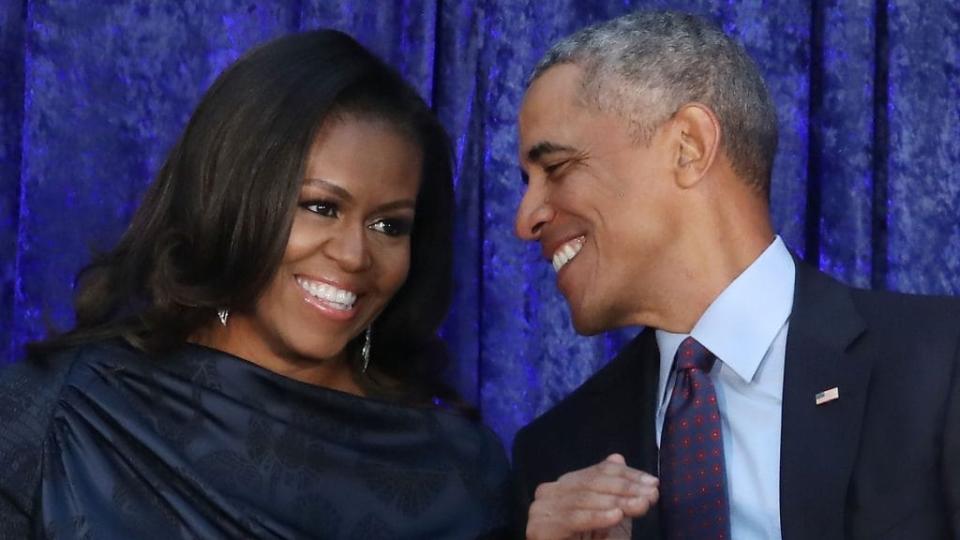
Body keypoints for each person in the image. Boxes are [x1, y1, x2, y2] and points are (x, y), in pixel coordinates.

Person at [0, 30, 510, 539]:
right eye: (320, 207)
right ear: (228, 198)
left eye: (390, 226)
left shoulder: (459, 478)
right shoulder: (57, 414)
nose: (355, 255)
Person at [511, 10, 960, 540]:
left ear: (690, 146)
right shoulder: (557, 456)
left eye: (557, 168)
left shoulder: (942, 362)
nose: (525, 219)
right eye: (526, 181)